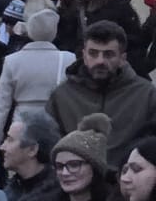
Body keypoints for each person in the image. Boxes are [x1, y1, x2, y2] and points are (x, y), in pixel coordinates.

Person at [48, 21, 156, 165]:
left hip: (126, 175)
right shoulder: (61, 96)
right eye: (93, 53)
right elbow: (49, 143)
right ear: (84, 55)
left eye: (108, 54)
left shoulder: (146, 95)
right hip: (73, 174)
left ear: (122, 58)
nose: (100, 61)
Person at [0, 6, 72, 146]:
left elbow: (0, 107)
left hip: (20, 127)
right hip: (56, 126)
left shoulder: (12, 61)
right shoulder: (68, 59)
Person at [0, 107, 59, 201]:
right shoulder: (8, 192)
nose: (2, 147)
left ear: (32, 150)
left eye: (10, 140)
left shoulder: (55, 198)